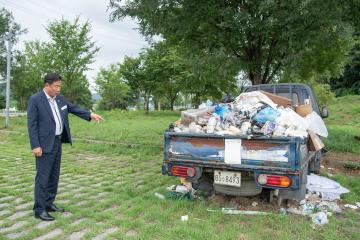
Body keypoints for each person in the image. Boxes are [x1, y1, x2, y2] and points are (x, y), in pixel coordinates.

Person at [27, 73, 104, 221]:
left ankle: (48, 204)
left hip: (57, 142)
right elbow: (32, 125)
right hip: (43, 145)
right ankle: (39, 209)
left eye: (59, 86)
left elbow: (73, 108)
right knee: (43, 177)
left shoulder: (60, 99)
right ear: (47, 85)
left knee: (54, 175)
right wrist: (35, 145)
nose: (58, 89)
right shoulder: (36, 100)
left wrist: (90, 114)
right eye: (56, 86)